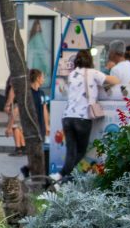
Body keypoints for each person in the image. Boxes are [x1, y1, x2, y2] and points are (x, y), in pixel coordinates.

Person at [51, 50, 119, 182]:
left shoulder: (72, 75)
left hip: (67, 117)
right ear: (90, 60)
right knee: (81, 151)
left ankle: (62, 178)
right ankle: (62, 176)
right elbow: (115, 80)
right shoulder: (93, 73)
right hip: (82, 118)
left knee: (71, 151)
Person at [3, 77, 26, 156]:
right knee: (19, 126)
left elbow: (12, 90)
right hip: (23, 102)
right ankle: (23, 147)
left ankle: (18, 148)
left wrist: (8, 104)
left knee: (15, 125)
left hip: (16, 102)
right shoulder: (24, 74)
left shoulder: (15, 75)